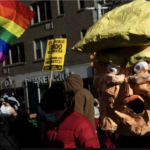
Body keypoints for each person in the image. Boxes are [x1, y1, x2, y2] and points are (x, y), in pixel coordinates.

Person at [40, 83, 100, 148]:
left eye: (50, 111)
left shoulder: (81, 123)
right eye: (45, 112)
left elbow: (91, 145)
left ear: (61, 108)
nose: (47, 114)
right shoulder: (50, 123)